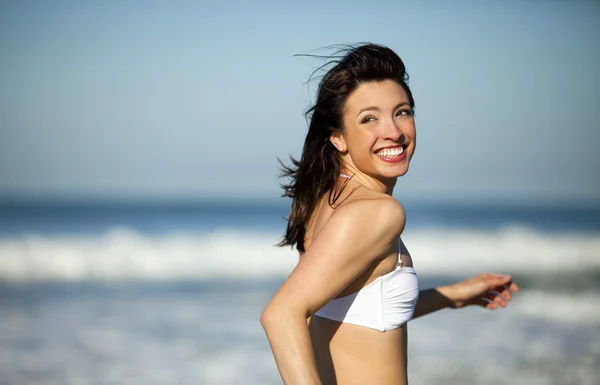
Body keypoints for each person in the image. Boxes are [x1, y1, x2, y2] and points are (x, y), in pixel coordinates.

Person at [260, 43, 519, 385]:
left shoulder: (327, 202)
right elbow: (281, 315)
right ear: (338, 138)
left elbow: (361, 312)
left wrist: (454, 296)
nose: (394, 132)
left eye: (402, 112)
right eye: (369, 118)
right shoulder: (379, 212)